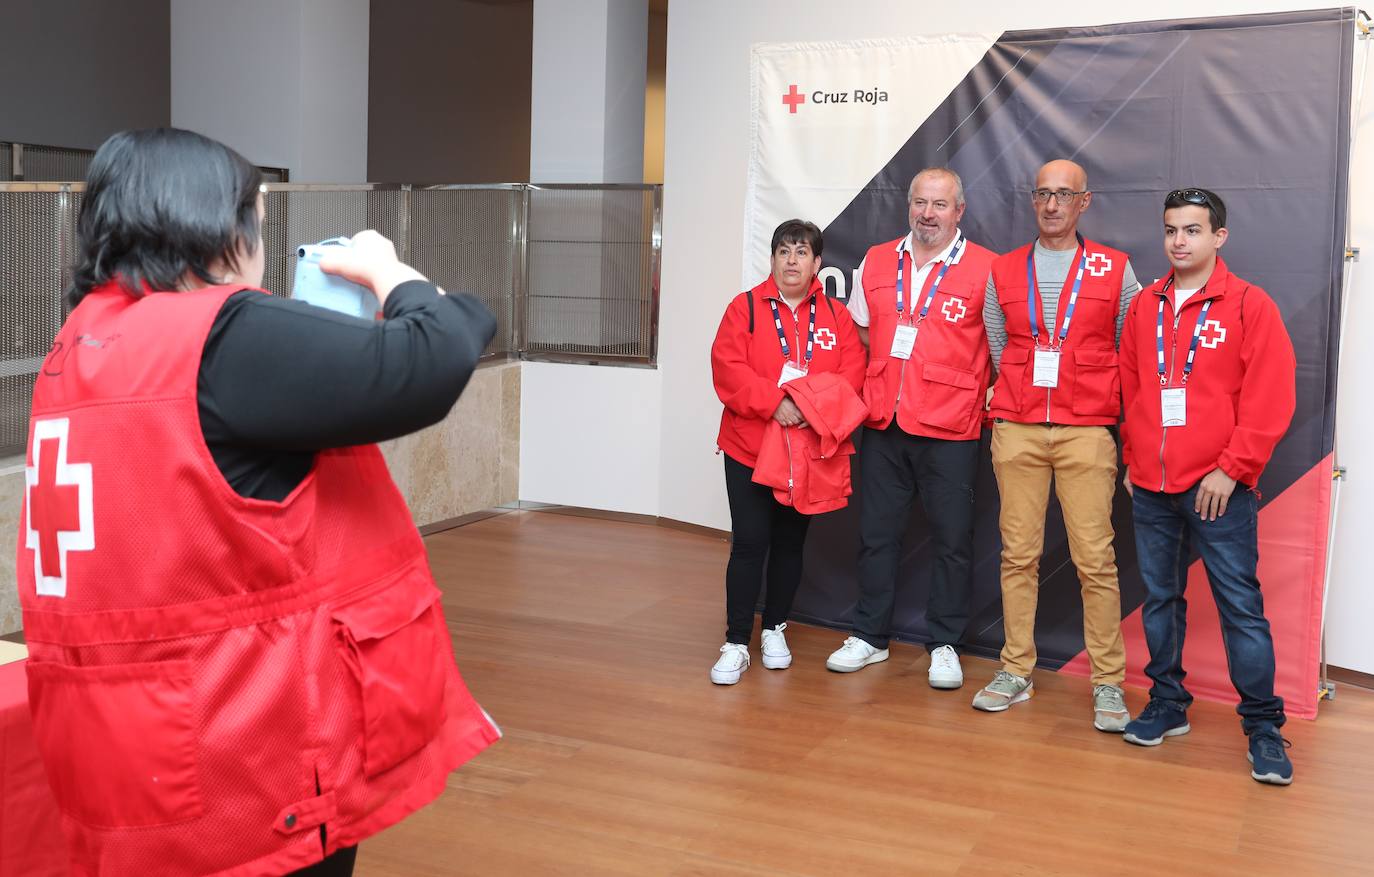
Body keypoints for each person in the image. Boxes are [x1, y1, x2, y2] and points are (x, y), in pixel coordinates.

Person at [16, 128, 501, 877]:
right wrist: (394, 275)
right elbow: (435, 355)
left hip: (123, 744)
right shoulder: (223, 335)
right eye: (254, 226)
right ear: (217, 226)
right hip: (243, 748)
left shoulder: (73, 349)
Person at [1118, 188, 1296, 785]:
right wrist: (1133, 454)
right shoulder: (1145, 306)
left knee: (1240, 607)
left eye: (1192, 230)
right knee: (1161, 600)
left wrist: (1233, 468)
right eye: (1171, 229)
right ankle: (1168, 704)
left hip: (1220, 488)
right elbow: (1132, 389)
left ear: (1219, 237)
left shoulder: (1250, 305)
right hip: (1151, 486)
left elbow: (1272, 398)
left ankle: (1264, 728)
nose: (1178, 241)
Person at [974, 159, 1139, 731]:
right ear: (1033, 199)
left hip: (1087, 431)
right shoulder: (1004, 268)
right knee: (1017, 555)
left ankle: (1108, 683)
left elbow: (1129, 344)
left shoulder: (1115, 269)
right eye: (1043, 193)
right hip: (1017, 428)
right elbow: (998, 342)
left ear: (1083, 202)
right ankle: (1015, 669)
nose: (1051, 205)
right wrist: (1022, 394)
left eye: (1063, 195)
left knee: (1096, 560)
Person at [825, 168, 998, 689]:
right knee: (877, 537)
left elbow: (1003, 346)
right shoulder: (877, 259)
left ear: (959, 211)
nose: (928, 213)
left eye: (939, 205)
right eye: (920, 203)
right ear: (909, 206)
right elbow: (857, 331)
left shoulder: (987, 269)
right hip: (884, 420)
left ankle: (944, 643)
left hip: (951, 427)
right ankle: (869, 635)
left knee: (951, 541)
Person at [709, 219, 866, 685]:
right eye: (783, 251)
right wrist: (774, 403)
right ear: (773, 259)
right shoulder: (745, 309)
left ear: (818, 263)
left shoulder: (836, 316)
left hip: (810, 450)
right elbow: (727, 369)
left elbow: (851, 377)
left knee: (791, 543)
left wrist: (805, 407)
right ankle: (737, 641)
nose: (791, 260)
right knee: (751, 543)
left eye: (801, 252)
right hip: (750, 449)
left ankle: (775, 627)